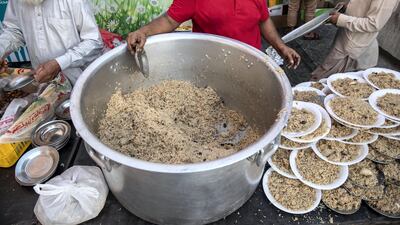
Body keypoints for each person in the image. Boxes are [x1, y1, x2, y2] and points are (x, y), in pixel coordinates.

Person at [127, 0, 301, 69]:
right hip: (212, 67)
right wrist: (143, 31)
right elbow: (169, 20)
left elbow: (263, 20)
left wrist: (280, 47)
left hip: (251, 62)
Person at [0, 0, 104, 84]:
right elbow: (14, 30)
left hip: (79, 82)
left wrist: (59, 63)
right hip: (42, 81)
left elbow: (93, 41)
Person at [311, 0, 400, 80]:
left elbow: (373, 24)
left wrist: (341, 19)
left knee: (323, 78)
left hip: (352, 44)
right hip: (347, 36)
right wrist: (347, 6)